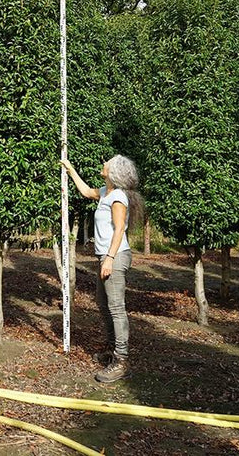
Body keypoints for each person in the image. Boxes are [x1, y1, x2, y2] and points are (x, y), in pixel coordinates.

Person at [61, 154, 143, 383]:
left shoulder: (118, 197)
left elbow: (119, 231)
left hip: (115, 257)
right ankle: (112, 349)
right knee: (102, 303)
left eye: (108, 161)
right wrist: (70, 169)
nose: (103, 162)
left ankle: (122, 360)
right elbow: (87, 192)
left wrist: (108, 258)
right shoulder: (105, 192)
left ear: (113, 171)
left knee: (116, 307)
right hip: (107, 257)